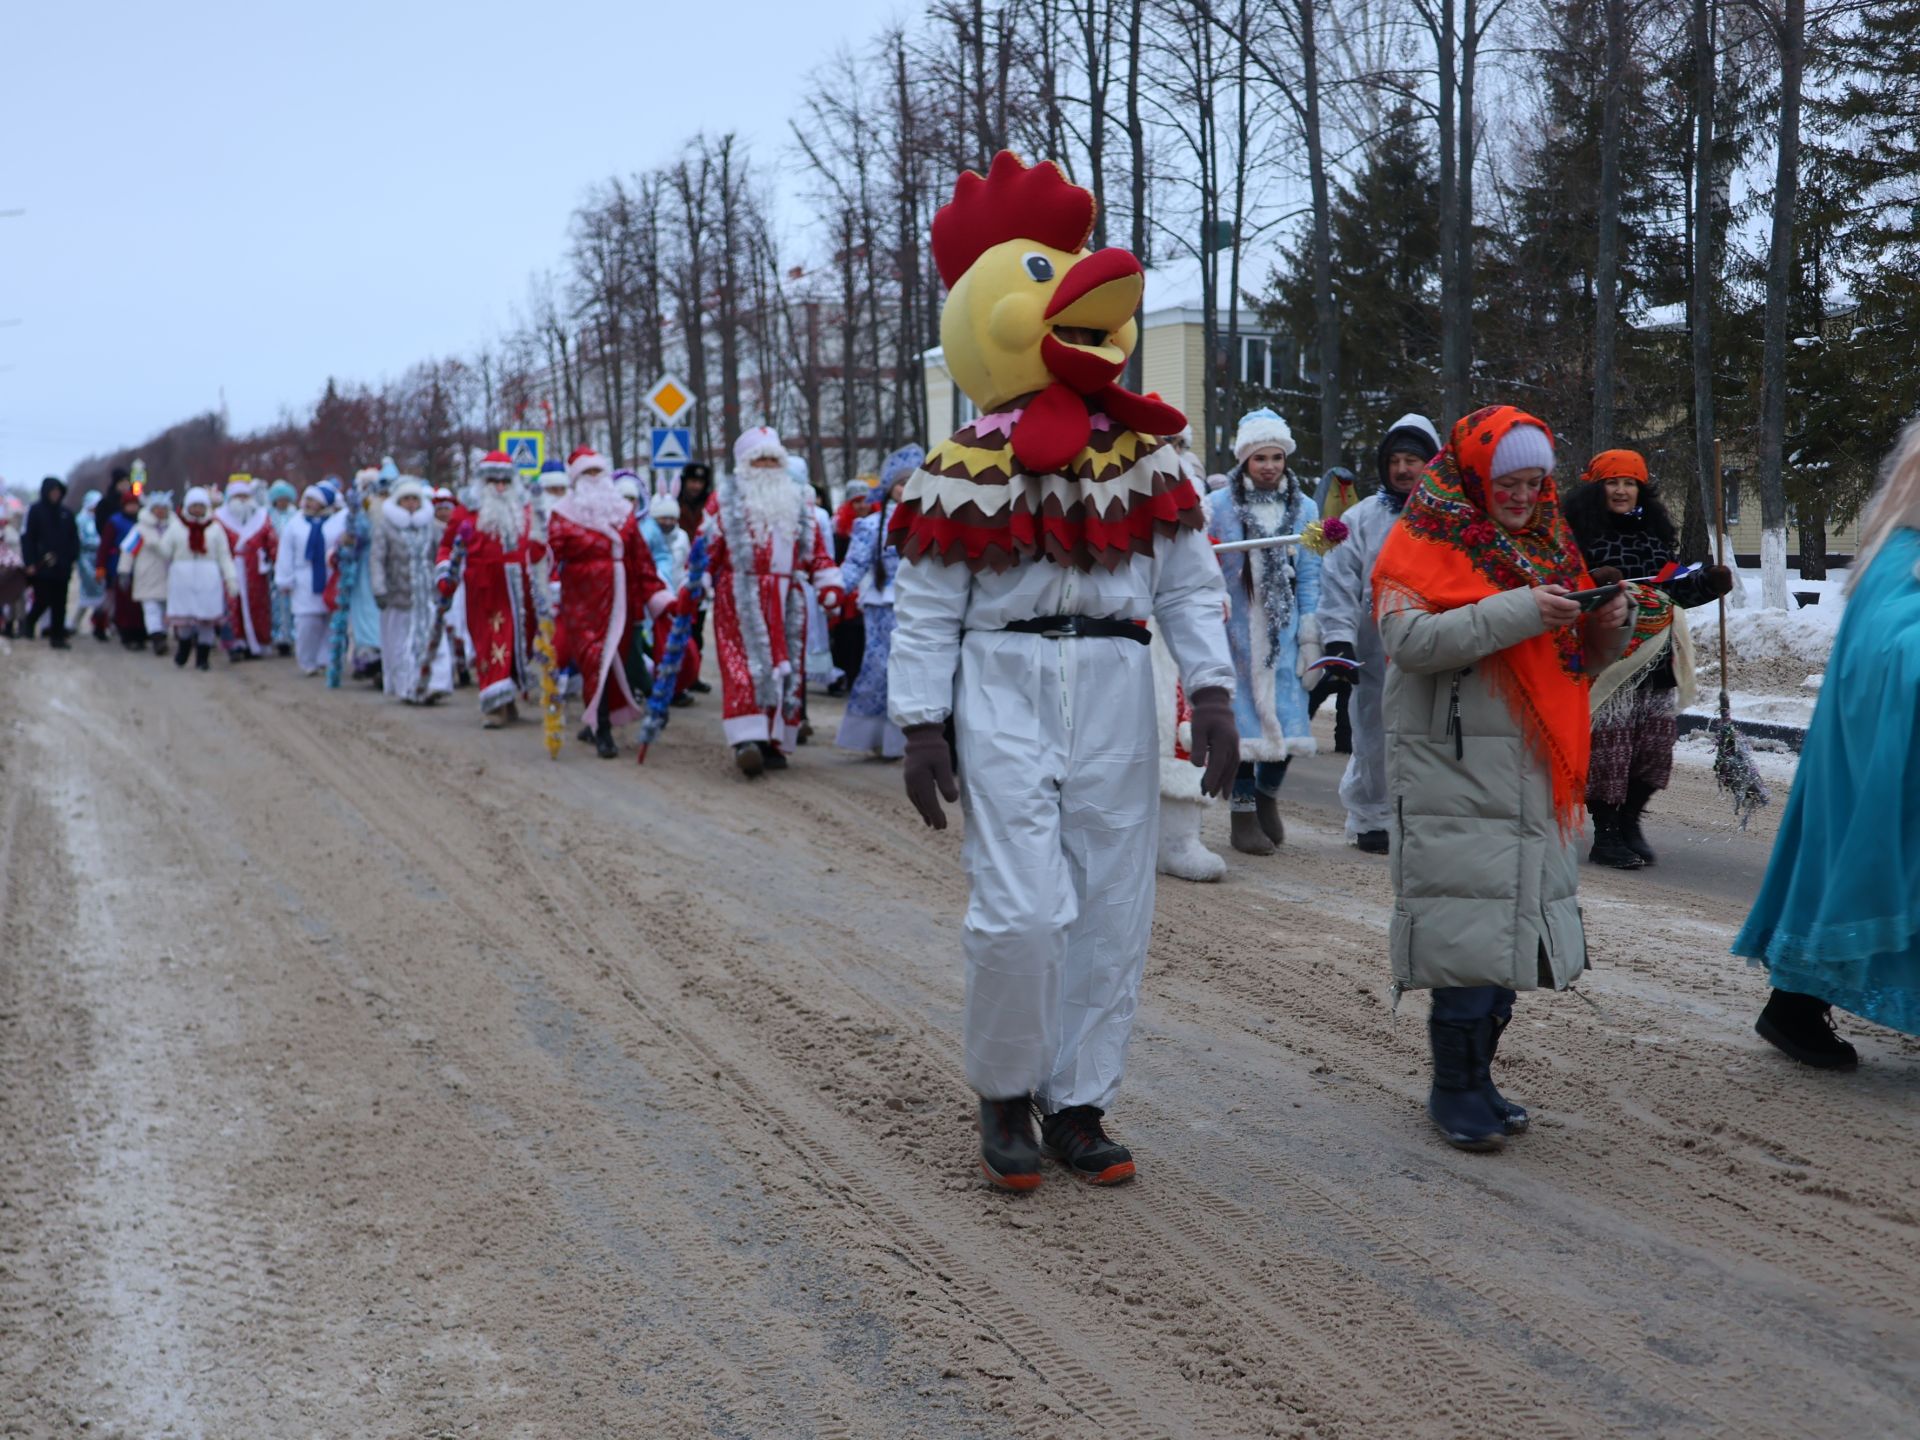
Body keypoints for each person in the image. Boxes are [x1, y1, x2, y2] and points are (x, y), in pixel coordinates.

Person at [888, 151, 1238, 1189]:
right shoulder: (957, 472)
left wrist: (1212, 690)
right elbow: (926, 605)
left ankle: (1078, 1099)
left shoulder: (1147, 463)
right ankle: (1005, 1088)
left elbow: (1187, 583)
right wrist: (919, 722)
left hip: (1117, 682)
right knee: (1022, 907)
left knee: (1112, 901)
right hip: (1001, 683)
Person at [1373, 406, 1630, 1152]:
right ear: (1475, 475)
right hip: (1451, 766)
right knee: (1466, 936)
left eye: (1534, 482)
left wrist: (1606, 621)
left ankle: (1478, 1077)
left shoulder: (1550, 545)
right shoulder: (1420, 539)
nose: (1521, 496)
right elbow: (1409, 640)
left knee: (1510, 934)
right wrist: (1520, 610)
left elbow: (1571, 661)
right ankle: (1451, 1087)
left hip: (1529, 764)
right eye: (1506, 481)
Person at [1734, 422, 1920, 1068]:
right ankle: (1793, 1007)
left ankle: (1794, 1006)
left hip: (1886, 753)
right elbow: (1891, 649)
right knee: (1857, 871)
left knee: (1856, 871)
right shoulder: (1903, 557)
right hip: (1880, 755)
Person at [1563, 449, 1734, 868]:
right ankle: (1605, 834)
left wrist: (1708, 584)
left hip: (1658, 661)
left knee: (1652, 749)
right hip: (1609, 660)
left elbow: (1670, 591)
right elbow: (1567, 590)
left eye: (1630, 483)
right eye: (1612, 482)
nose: (1622, 490)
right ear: (1596, 487)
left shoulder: (1655, 534)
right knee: (1611, 750)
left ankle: (1629, 822)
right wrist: (1596, 584)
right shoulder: (1576, 533)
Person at [1317, 413, 1441, 852]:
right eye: (1396, 459)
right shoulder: (1362, 518)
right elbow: (1337, 581)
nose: (1404, 469)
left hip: (1436, 648)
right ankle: (1370, 815)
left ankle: (1424, 816)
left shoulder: (1452, 519)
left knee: (1431, 737)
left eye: (1414, 459)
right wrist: (1338, 641)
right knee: (1373, 734)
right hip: (1375, 653)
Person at [1205, 408, 1324, 856]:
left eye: (1277, 457)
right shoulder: (1218, 508)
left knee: (1291, 719)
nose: (1270, 466)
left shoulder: (1306, 508)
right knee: (1240, 726)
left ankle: (1267, 796)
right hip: (1235, 631)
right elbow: (1206, 566)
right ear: (1245, 461)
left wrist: (1310, 631)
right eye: (1261, 458)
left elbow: (1312, 573)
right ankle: (1241, 812)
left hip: (1285, 630)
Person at [702, 428, 845, 774]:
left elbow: (816, 552)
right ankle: (745, 741)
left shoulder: (798, 502)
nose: (766, 466)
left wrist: (827, 582)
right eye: (759, 459)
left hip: (786, 599)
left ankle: (773, 739)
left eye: (772, 459)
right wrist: (699, 580)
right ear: (744, 465)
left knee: (785, 671)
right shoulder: (724, 501)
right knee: (743, 668)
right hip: (739, 596)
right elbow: (706, 548)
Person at [549, 447, 672, 757]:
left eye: (597, 472)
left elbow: (642, 559)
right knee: (594, 660)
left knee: (618, 661)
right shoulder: (564, 513)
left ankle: (596, 721)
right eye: (586, 473)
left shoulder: (622, 513)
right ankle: (602, 728)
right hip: (582, 599)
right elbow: (550, 557)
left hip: (621, 598)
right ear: (576, 479)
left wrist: (657, 596)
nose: (593, 479)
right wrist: (546, 584)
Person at [438, 451, 543, 727]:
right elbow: (447, 546)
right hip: (485, 590)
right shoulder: (466, 511)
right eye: (493, 481)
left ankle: (507, 698)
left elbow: (540, 545)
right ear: (483, 482)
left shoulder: (525, 510)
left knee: (518, 644)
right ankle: (493, 704)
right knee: (492, 643)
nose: (499, 487)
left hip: (521, 591)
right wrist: (445, 574)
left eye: (504, 481)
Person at [836, 445, 920, 759]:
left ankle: (906, 741)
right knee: (878, 670)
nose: (906, 490)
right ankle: (872, 736)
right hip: (883, 607)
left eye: (912, 483)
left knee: (912, 673)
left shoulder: (930, 522)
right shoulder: (871, 526)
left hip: (919, 609)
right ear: (889, 488)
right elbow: (855, 564)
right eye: (901, 484)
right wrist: (834, 592)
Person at [370, 476, 452, 702]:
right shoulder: (385, 527)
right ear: (398, 501)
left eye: (414, 498)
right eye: (406, 499)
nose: (411, 503)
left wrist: (445, 582)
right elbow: (377, 559)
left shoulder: (431, 526)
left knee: (434, 640)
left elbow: (441, 555)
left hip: (427, 598)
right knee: (401, 644)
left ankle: (436, 683)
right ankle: (407, 686)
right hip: (399, 597)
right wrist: (379, 589)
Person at [158, 486, 238, 670]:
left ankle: (203, 657)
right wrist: (155, 543)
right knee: (184, 620)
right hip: (182, 578)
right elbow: (165, 550)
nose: (197, 510)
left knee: (207, 620)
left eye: (201, 506)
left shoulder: (215, 529)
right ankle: (184, 648)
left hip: (208, 577)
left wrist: (230, 578)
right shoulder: (177, 527)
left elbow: (224, 555)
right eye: (194, 506)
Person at [274, 484, 347, 674]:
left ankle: (327, 659)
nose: (309, 503)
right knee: (307, 622)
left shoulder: (338, 521)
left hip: (331, 577)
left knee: (330, 621)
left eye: (313, 500)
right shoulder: (295, 523)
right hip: (304, 579)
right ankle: (307, 660)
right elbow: (285, 553)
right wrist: (284, 579)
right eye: (307, 499)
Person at [215, 479, 276, 658]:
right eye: (238, 496)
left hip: (255, 570)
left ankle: (257, 642)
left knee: (258, 606)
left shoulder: (262, 517)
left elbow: (272, 542)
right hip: (231, 566)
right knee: (232, 606)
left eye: (245, 496)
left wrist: (275, 562)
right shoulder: (219, 518)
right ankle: (235, 643)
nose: (242, 500)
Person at [22, 476, 82, 647]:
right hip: (42, 565)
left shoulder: (66, 513)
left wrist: (71, 557)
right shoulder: (35, 511)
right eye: (52, 491)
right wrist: (30, 562)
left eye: (58, 492)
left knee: (60, 602)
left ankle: (57, 636)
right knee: (42, 598)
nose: (55, 495)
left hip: (62, 566)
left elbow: (74, 539)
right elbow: (28, 538)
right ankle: (29, 621)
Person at [126, 490, 179, 656]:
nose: (160, 511)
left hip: (170, 574)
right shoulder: (140, 529)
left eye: (164, 508)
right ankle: (156, 638)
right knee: (150, 607)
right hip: (147, 573)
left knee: (165, 608)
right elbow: (128, 551)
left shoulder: (175, 528)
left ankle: (162, 634)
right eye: (157, 508)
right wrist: (124, 571)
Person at [102, 483, 147, 647]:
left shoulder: (143, 523)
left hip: (142, 568)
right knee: (124, 604)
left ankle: (141, 634)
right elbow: (105, 546)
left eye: (135, 505)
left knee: (139, 604)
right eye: (130, 505)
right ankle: (126, 634)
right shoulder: (115, 522)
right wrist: (102, 566)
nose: (133, 508)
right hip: (119, 565)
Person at [263, 480, 297, 653]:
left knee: (293, 602)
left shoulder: (295, 515)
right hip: (274, 565)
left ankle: (292, 634)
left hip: (294, 566)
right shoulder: (267, 517)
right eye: (279, 499)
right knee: (276, 602)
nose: (283, 502)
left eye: (285, 499)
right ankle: (279, 635)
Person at [72, 491, 107, 639]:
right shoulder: (81, 520)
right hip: (86, 559)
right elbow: (80, 541)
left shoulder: (102, 518)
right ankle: (74, 622)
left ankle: (100, 624)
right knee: (88, 591)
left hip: (100, 559)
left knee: (102, 593)